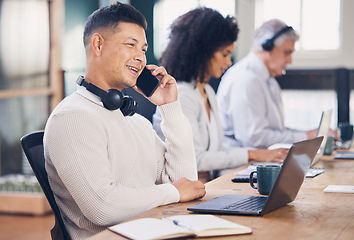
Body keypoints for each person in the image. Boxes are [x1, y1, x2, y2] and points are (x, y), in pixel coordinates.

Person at [43, 2, 205, 239]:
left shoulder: (133, 119)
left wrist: (170, 107)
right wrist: (173, 192)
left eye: (143, 49)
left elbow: (184, 182)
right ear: (98, 44)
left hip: (156, 230)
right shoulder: (72, 118)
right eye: (131, 45)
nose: (140, 57)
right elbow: (103, 207)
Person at [152, 8, 288, 183]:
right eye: (224, 54)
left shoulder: (206, 91)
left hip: (205, 184)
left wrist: (259, 156)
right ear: (203, 52)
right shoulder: (181, 95)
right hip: (179, 191)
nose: (228, 62)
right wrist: (254, 153)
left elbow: (216, 150)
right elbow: (196, 159)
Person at [217, 19, 318, 149]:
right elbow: (254, 138)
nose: (290, 61)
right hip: (241, 166)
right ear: (266, 46)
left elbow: (276, 131)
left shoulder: (269, 81)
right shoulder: (246, 79)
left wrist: (309, 135)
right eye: (287, 52)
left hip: (263, 161)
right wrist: (305, 137)